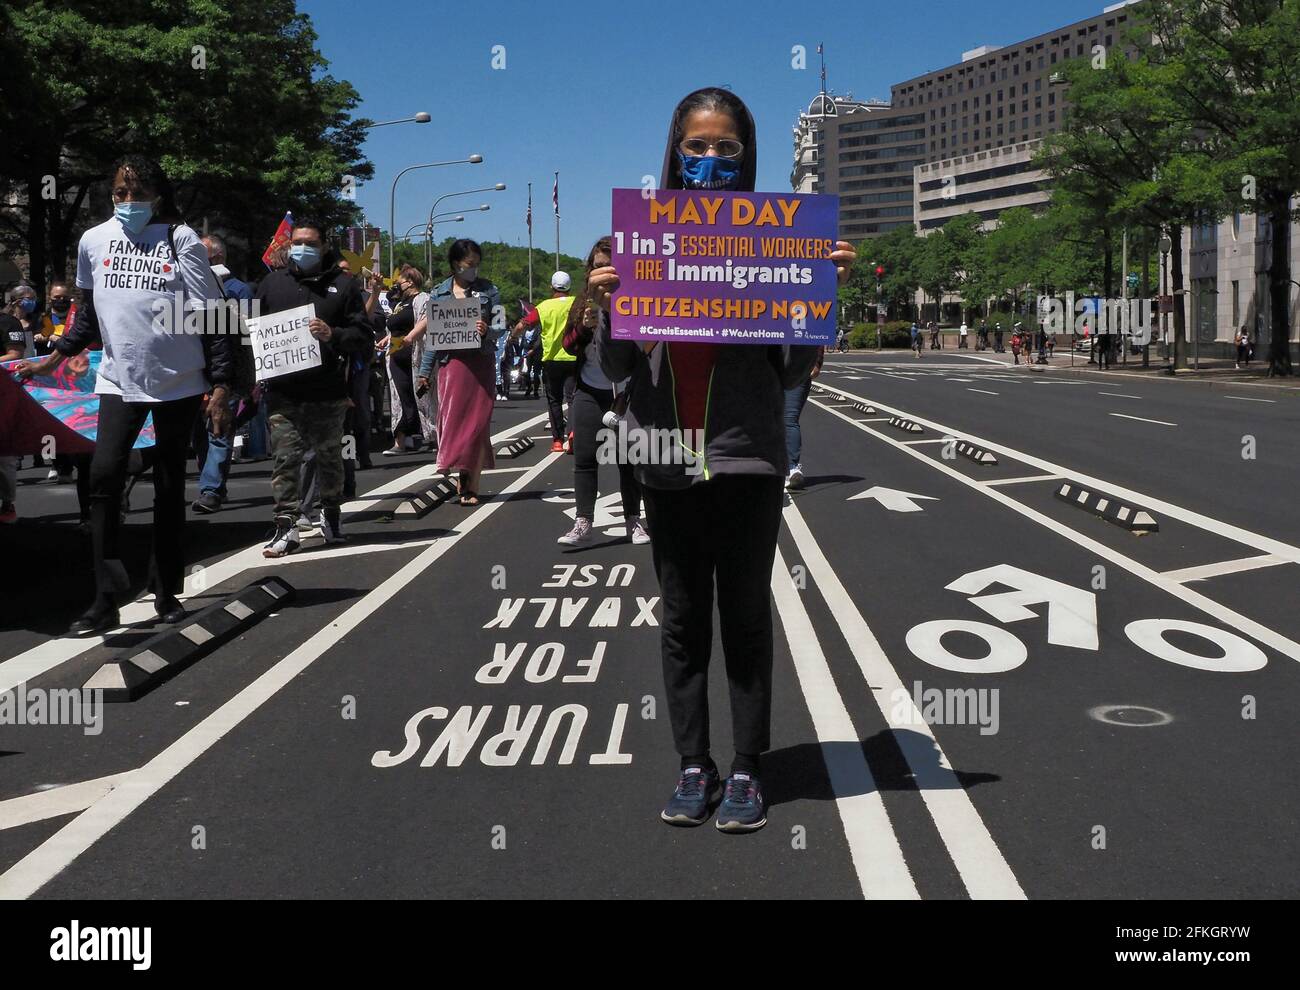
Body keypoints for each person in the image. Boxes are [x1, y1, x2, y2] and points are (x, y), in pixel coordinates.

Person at [589, 87, 857, 833]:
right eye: (697, 147)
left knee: (743, 617)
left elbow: (797, 369)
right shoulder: (641, 245)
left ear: (748, 158)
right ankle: (692, 764)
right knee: (681, 619)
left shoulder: (775, 242)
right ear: (674, 153)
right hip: (664, 458)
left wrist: (818, 288)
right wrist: (606, 302)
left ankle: (746, 768)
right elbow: (615, 364)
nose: (711, 160)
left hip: (746, 460)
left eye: (727, 149)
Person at [15, 154, 232, 633]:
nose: (128, 201)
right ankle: (105, 596)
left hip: (178, 383)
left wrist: (220, 385)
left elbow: (214, 319)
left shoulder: (180, 241)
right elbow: (88, 317)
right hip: (118, 381)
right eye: (120, 193)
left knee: (170, 486)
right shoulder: (94, 240)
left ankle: (166, 590)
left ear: (157, 195)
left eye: (137, 193)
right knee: (104, 479)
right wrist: (52, 358)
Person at [255, 218, 373, 556]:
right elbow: (253, 334)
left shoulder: (345, 286)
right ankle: (286, 525)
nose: (302, 247)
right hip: (284, 392)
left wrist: (332, 334)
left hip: (327, 391)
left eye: (309, 242)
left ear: (323, 247)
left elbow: (363, 336)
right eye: (297, 241)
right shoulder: (271, 285)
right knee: (285, 459)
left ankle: (331, 515)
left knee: (329, 457)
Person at [556, 237, 647, 547]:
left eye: (610, 265)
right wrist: (583, 327)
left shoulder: (636, 299)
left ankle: (633, 520)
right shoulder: (582, 301)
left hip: (624, 393)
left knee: (629, 459)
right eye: (597, 266)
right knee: (584, 457)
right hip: (589, 389)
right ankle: (583, 521)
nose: (603, 272)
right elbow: (567, 346)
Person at [417, 239, 503, 505]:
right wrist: (424, 372)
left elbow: (502, 324)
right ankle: (458, 467)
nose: (474, 269)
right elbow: (434, 337)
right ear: (456, 264)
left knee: (477, 427)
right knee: (452, 422)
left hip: (481, 365)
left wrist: (488, 330)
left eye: (477, 265)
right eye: (469, 264)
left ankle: (470, 484)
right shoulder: (438, 295)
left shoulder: (490, 291)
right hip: (452, 367)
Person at [191, 234, 255, 514]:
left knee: (219, 428)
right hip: (194, 372)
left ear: (216, 258)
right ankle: (215, 484)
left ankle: (211, 489)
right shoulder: (190, 289)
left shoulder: (239, 291)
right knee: (200, 434)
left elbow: (248, 333)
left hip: (225, 373)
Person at [516, 272, 577, 451]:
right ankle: (573, 432)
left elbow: (524, 325)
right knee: (573, 399)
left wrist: (513, 336)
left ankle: (557, 441)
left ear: (552, 287)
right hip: (574, 357)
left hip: (551, 360)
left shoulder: (544, 306)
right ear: (569, 287)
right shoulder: (577, 303)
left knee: (554, 400)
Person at [379, 269, 425, 456]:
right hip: (395, 354)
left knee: (421, 396)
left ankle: (431, 437)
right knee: (399, 395)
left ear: (411, 282)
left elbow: (425, 320)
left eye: (401, 282)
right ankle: (400, 442)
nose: (398, 285)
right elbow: (394, 324)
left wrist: (409, 338)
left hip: (414, 353)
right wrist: (387, 339)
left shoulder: (422, 299)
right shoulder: (400, 303)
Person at [784, 346, 824, 490]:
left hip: (798, 370)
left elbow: (817, 333)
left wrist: (817, 362)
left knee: (789, 419)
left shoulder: (804, 322)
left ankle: (792, 468)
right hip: (766, 367)